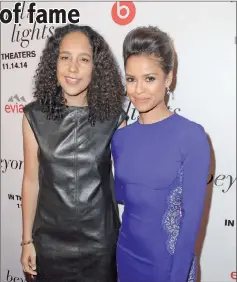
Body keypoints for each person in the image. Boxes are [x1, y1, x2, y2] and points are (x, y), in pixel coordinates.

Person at [20, 24, 127, 282]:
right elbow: (31, 181)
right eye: (65, 57)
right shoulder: (33, 116)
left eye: (84, 59)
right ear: (54, 63)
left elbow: (126, 185)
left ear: (96, 68)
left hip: (100, 246)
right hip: (49, 245)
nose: (73, 68)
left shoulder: (115, 119)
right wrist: (26, 241)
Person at [111, 26, 210, 282]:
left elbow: (190, 224)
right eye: (131, 79)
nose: (138, 89)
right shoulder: (120, 138)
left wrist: (177, 276)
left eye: (149, 78)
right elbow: (123, 197)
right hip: (127, 256)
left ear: (168, 78)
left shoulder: (192, 137)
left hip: (168, 264)